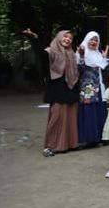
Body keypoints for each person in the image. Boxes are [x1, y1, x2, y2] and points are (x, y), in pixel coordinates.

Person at [23, 29, 80, 157]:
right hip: (56, 90)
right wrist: (35, 38)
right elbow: (41, 54)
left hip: (70, 90)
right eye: (65, 36)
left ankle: (68, 144)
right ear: (59, 37)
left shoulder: (72, 53)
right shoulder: (52, 51)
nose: (67, 39)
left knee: (70, 117)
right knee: (56, 117)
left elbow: (76, 72)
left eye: (70, 38)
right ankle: (51, 146)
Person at [76, 31, 109, 147]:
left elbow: (103, 70)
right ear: (87, 39)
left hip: (99, 86)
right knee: (89, 111)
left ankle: (101, 137)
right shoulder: (81, 52)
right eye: (91, 39)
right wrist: (81, 56)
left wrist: (105, 58)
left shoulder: (98, 54)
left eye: (96, 40)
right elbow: (79, 69)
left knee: (100, 110)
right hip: (88, 87)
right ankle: (90, 139)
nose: (94, 42)